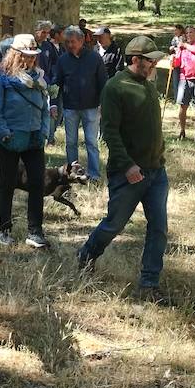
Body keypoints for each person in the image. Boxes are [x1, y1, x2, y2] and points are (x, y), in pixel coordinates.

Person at [77, 35, 170, 302]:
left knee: (159, 228)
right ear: (135, 60)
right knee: (114, 224)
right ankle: (86, 254)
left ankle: (149, 284)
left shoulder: (149, 85)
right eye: (150, 61)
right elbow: (110, 133)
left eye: (155, 61)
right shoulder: (115, 88)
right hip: (127, 173)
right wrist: (128, 165)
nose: (154, 65)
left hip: (156, 172)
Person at [0, 33, 56, 249]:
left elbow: (44, 109)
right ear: (16, 55)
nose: (31, 59)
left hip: (34, 140)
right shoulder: (2, 82)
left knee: (37, 184)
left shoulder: (39, 80)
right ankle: (4, 228)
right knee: (7, 184)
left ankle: (35, 232)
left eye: (34, 55)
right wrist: (4, 132)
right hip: (9, 141)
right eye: (26, 55)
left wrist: (44, 131)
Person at [55, 24, 108, 182]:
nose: (70, 45)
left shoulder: (94, 58)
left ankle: (94, 175)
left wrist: (102, 104)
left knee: (91, 142)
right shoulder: (63, 60)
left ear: (82, 40)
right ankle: (73, 173)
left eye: (73, 42)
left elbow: (103, 83)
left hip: (91, 107)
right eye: (67, 42)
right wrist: (53, 103)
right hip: (70, 107)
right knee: (71, 142)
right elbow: (57, 82)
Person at [166, 24, 186, 102]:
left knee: (182, 80)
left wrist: (176, 48)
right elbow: (172, 48)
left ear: (180, 30)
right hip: (175, 60)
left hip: (182, 61)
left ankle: (182, 98)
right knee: (175, 79)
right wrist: (171, 49)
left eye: (176, 30)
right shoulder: (174, 38)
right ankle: (176, 98)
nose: (175, 32)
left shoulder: (184, 37)